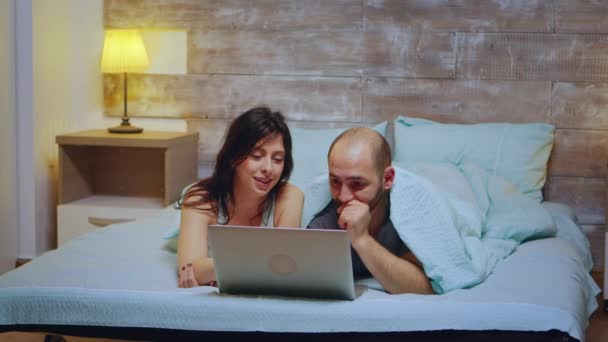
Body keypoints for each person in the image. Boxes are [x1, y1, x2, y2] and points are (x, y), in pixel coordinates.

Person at [177, 106, 304, 288]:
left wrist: (216, 269)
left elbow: (284, 267)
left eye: (277, 159)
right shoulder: (199, 200)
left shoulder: (290, 196)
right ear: (233, 157)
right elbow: (189, 271)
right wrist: (262, 264)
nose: (268, 168)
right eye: (257, 155)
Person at [307, 127, 434, 295]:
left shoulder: (407, 215)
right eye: (335, 181)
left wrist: (361, 239)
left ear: (387, 179)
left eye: (357, 184)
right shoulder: (322, 223)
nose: (344, 196)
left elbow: (424, 288)